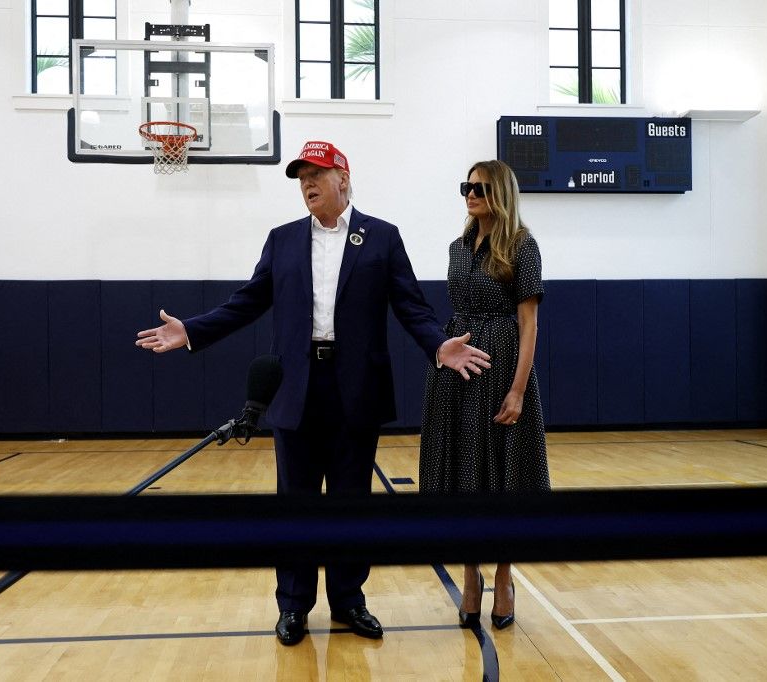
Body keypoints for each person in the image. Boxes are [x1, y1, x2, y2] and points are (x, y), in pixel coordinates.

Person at [135, 140, 491, 646]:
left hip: (356, 390)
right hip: (296, 388)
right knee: (296, 505)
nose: (307, 183)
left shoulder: (383, 237)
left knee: (350, 504)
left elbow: (411, 306)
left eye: (317, 174)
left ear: (343, 178)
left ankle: (348, 601)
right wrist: (192, 331)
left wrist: (439, 346)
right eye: (301, 175)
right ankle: (294, 606)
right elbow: (248, 301)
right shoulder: (282, 240)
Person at [419, 159, 551, 630]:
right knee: (461, 473)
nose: (470, 194)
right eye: (465, 187)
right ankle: (471, 574)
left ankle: (504, 575)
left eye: (479, 187)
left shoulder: (522, 245)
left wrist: (517, 390)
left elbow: (529, 324)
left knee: (504, 474)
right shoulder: (458, 247)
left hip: (500, 372)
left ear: (500, 192)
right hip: (457, 372)